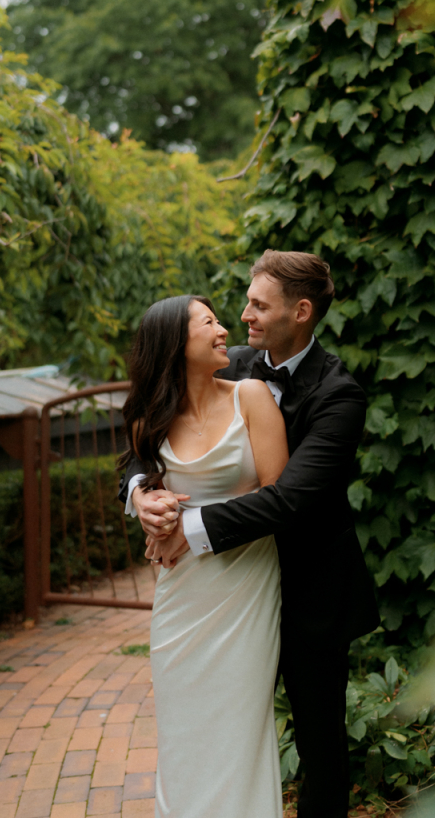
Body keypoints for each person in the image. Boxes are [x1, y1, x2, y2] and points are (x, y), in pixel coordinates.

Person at [120, 250, 380, 818]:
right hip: (219, 589)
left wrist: (187, 529)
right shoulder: (229, 363)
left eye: (259, 306)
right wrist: (141, 493)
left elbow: (290, 499)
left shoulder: (339, 395)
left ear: (301, 312)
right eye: (244, 303)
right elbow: (145, 435)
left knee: (320, 745)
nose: (243, 317)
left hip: (311, 590)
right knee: (211, 724)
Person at [119, 293, 289, 818]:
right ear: (175, 342)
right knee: (184, 730)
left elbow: (279, 499)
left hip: (245, 585)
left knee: (240, 727)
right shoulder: (149, 420)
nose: (224, 330)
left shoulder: (251, 397)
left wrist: (189, 526)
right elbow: (137, 475)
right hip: (180, 595)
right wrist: (146, 505)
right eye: (209, 322)